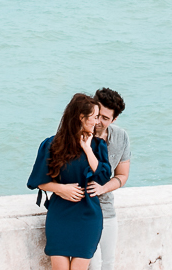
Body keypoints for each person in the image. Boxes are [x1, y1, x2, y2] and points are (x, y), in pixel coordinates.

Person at [28, 93, 113, 270]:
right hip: (60, 214)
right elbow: (38, 181)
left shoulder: (98, 146)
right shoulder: (51, 145)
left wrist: (87, 149)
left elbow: (104, 176)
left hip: (88, 216)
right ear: (81, 117)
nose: (98, 121)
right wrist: (61, 189)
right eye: (95, 116)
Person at [87, 88, 130, 270]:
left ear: (114, 119)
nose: (98, 121)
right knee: (94, 264)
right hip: (83, 208)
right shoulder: (79, 133)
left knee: (108, 263)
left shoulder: (120, 137)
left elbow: (122, 175)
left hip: (106, 206)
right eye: (97, 115)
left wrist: (102, 189)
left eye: (105, 118)